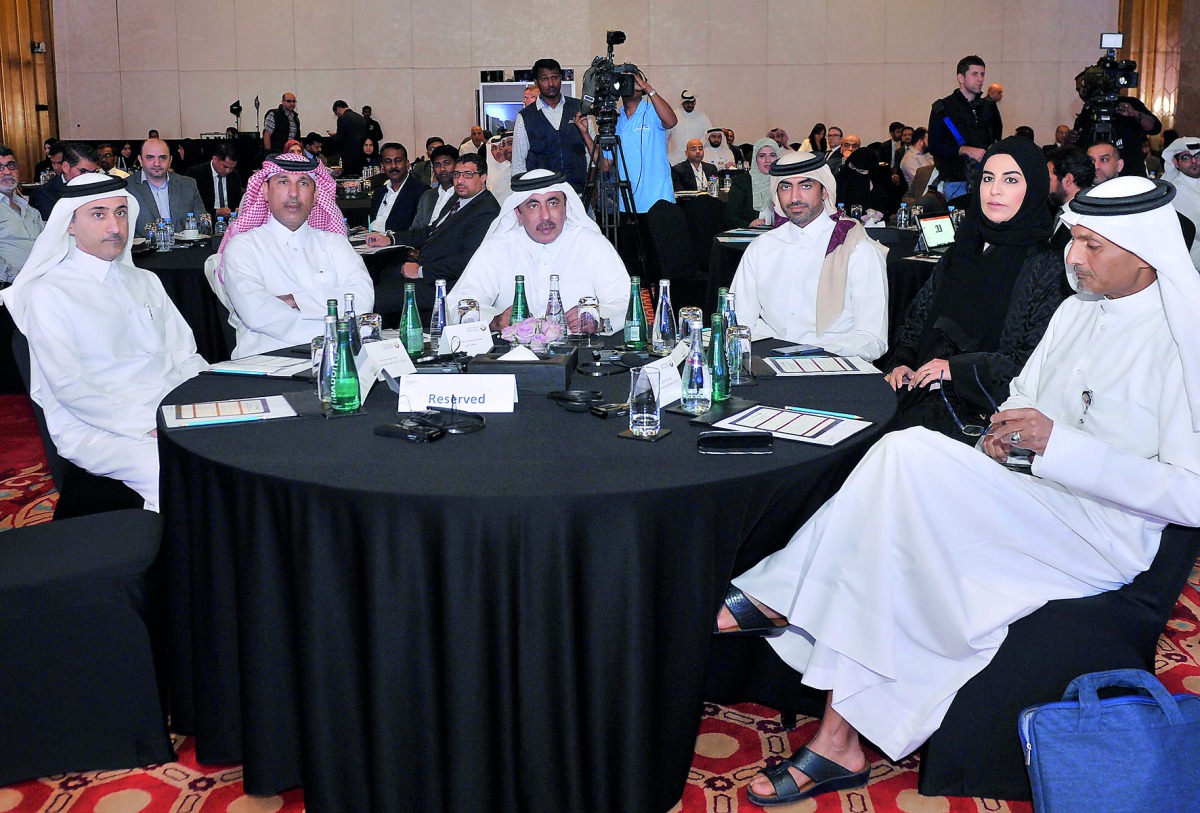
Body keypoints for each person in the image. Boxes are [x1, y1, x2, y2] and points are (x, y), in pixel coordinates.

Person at [716, 174, 1200, 806]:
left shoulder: (1183, 340)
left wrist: (1061, 448)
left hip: (1102, 533)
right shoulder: (1078, 309)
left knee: (906, 454)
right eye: (1073, 240)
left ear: (1145, 254)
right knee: (890, 526)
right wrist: (1003, 436)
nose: (1073, 257)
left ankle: (783, 593)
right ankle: (837, 739)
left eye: (1091, 245)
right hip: (1029, 490)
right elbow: (1024, 396)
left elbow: (1191, 496)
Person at [0, 173, 207, 510]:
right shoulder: (49, 293)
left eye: (121, 212)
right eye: (99, 214)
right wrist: (147, 422)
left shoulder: (146, 280)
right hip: (98, 427)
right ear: (69, 224)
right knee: (182, 471)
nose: (115, 227)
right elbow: (71, 388)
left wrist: (203, 403)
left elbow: (186, 355)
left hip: (171, 409)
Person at [883, 136, 1073, 440]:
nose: (994, 190)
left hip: (986, 415)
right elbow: (916, 320)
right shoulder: (961, 252)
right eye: (987, 178)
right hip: (922, 393)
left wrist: (958, 369)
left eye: (1010, 180)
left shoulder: (1048, 266)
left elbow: (1034, 359)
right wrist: (904, 362)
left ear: (1034, 188)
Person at [728, 151, 888, 360]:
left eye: (805, 186)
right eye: (786, 187)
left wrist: (811, 355)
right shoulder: (761, 247)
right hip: (769, 364)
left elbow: (872, 338)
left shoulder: (856, 249)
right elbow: (739, 320)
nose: (795, 197)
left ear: (824, 191)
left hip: (834, 366)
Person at [214, 153, 374, 358]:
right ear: (265, 191)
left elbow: (363, 301)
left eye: (303, 183)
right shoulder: (242, 247)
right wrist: (332, 327)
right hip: (266, 364)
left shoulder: (335, 243)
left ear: (316, 195)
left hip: (335, 360)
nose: (293, 193)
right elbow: (258, 314)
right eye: (283, 182)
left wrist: (294, 300)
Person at [446, 169, 630, 331]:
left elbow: (626, 301)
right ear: (518, 214)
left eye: (553, 203)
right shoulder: (497, 248)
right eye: (533, 206)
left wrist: (596, 318)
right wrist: (494, 321)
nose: (545, 216)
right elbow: (459, 303)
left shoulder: (592, 244)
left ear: (565, 207)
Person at [374, 152, 500, 310]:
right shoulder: (459, 200)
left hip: (445, 284)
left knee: (377, 297)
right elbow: (431, 231)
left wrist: (421, 271)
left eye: (468, 174)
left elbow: (467, 261)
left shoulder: (486, 210)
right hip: (428, 268)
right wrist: (390, 239)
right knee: (380, 274)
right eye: (457, 174)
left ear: (483, 178)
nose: (460, 180)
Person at [511, 58, 593, 195]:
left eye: (554, 77)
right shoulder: (525, 117)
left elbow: (592, 153)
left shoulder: (578, 108)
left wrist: (592, 190)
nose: (550, 83)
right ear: (536, 82)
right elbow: (518, 163)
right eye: (544, 79)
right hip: (541, 195)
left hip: (578, 193)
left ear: (561, 78)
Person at [928, 55, 1002, 202]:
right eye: (975, 74)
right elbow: (934, 146)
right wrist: (964, 149)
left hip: (985, 179)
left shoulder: (988, 107)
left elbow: (996, 138)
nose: (980, 79)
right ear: (961, 78)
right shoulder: (943, 108)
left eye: (982, 74)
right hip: (956, 181)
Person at [611, 72, 678, 214]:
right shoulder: (615, 120)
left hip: (658, 200)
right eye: (625, 81)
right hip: (626, 203)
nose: (631, 85)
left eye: (634, 81)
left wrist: (648, 89)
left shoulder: (653, 111)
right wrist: (585, 134)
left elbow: (671, 121)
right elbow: (605, 164)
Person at [1071, 83, 1160, 177]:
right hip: (1097, 176)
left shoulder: (1130, 103)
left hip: (1130, 174)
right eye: (1078, 90)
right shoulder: (1088, 109)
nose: (1081, 92)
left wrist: (1134, 114)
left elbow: (1155, 128)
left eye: (1083, 87)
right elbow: (1078, 144)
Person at [126, 138, 206, 237]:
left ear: (170, 160)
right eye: (150, 157)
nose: (157, 163)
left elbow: (202, 225)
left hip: (184, 246)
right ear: (140, 160)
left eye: (162, 158)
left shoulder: (188, 185)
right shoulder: (127, 188)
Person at [0, 145, 44, 286]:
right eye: (0, 167)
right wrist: (20, 279)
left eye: (11, 165)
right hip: (9, 287)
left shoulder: (29, 209)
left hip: (40, 281)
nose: (7, 172)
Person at [363, 142, 425, 239]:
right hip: (369, 239)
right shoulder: (379, 192)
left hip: (397, 242)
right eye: (388, 162)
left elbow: (418, 232)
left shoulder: (421, 192)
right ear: (382, 166)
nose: (393, 166)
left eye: (398, 161)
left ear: (407, 163)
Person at [30, 142, 98, 221]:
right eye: (83, 171)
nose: (89, 177)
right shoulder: (44, 194)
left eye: (93, 172)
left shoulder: (98, 189)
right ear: (66, 167)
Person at [1047, 146, 1095, 250]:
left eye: (1049, 179)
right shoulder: (1058, 209)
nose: (1045, 185)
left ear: (1068, 180)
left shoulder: (1083, 222)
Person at [724, 138, 778, 229]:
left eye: (772, 155)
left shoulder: (784, 182)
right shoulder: (741, 182)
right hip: (751, 232)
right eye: (762, 156)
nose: (768, 160)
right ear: (755, 159)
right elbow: (731, 217)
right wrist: (749, 225)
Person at [1163, 136, 1200, 268]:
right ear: (1176, 162)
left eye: (1198, 156)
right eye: (1186, 157)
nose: (1194, 161)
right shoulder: (1174, 192)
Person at [185, 141, 243, 220]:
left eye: (232, 168)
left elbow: (237, 199)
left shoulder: (234, 175)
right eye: (225, 167)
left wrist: (238, 209)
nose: (228, 171)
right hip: (205, 220)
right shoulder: (195, 173)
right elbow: (191, 204)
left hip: (230, 220)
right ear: (215, 159)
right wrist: (216, 212)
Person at [408, 144, 460, 229]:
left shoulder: (462, 195)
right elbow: (415, 229)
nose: (442, 169)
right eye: (437, 165)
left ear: (457, 165)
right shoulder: (428, 195)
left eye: (447, 163)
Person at [667, 89, 713, 165]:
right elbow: (665, 137)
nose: (690, 105)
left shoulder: (702, 117)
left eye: (692, 103)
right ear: (682, 103)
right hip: (674, 160)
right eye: (687, 103)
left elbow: (708, 136)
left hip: (695, 161)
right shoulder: (673, 116)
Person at [328, 100, 368, 176]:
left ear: (339, 109)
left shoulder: (342, 118)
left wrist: (333, 136)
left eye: (337, 114)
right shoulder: (360, 118)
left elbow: (339, 139)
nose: (338, 115)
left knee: (349, 177)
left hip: (348, 156)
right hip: (361, 155)